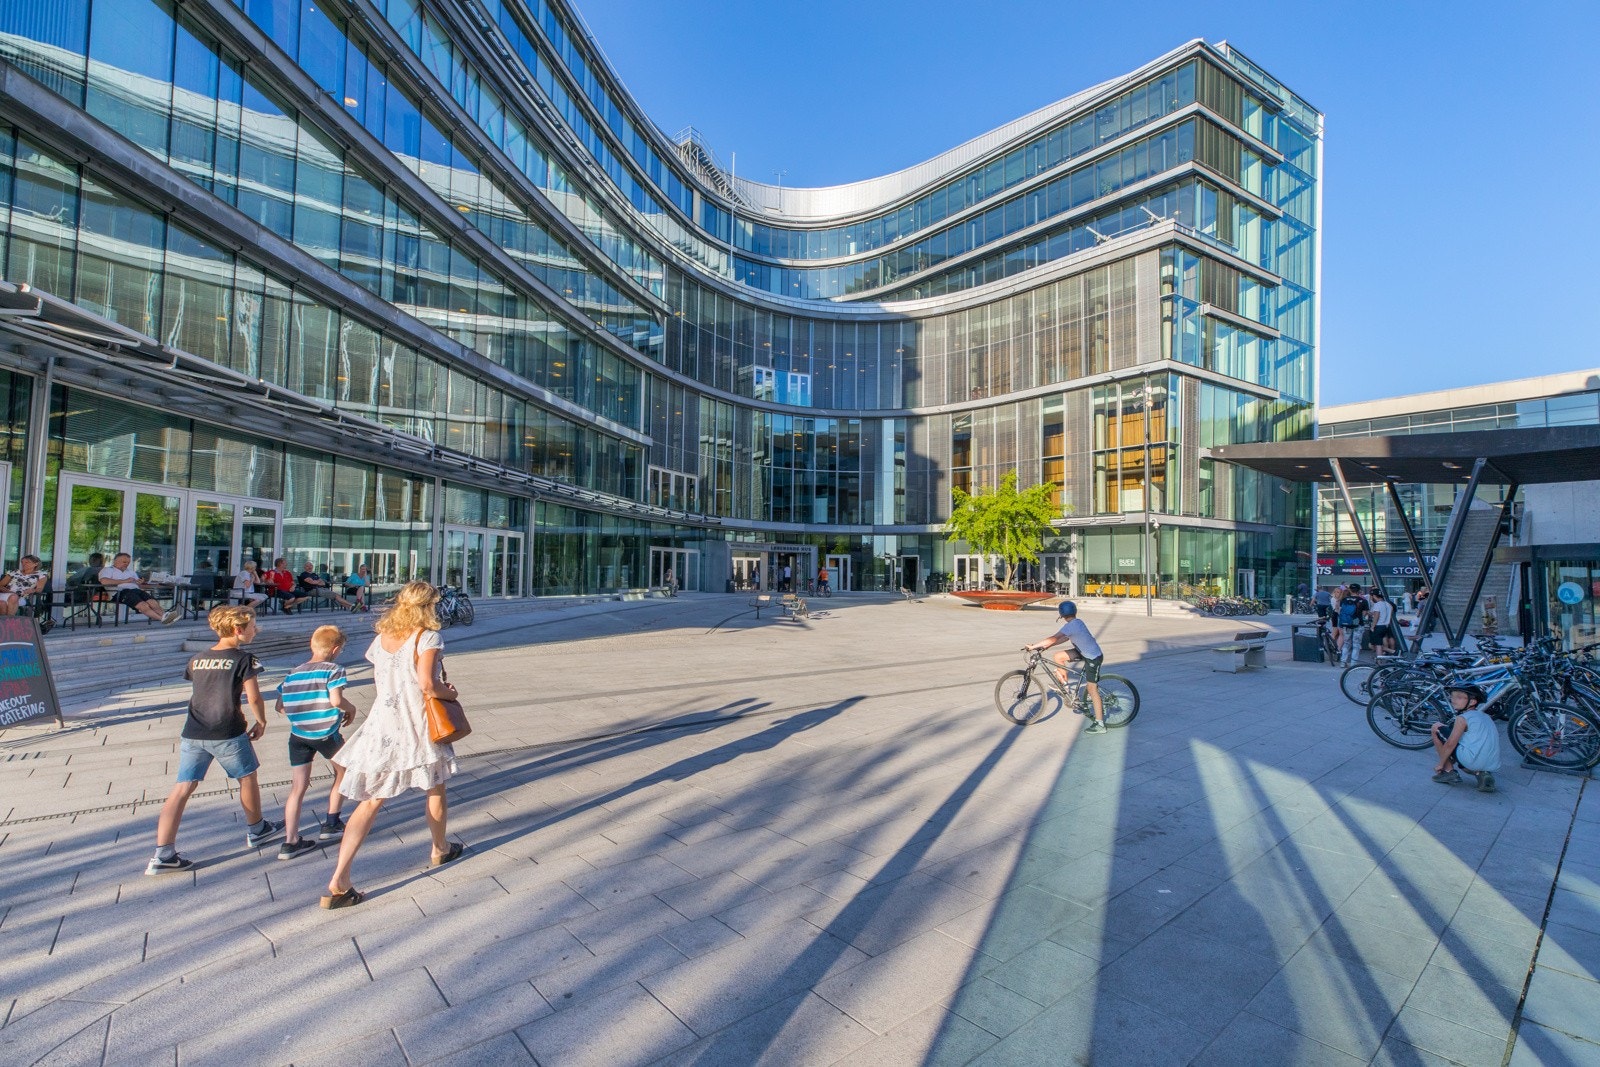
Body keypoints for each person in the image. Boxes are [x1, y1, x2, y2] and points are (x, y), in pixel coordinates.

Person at [321, 581, 461, 909]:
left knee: (370, 801)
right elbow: (427, 684)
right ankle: (439, 848)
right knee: (435, 788)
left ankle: (339, 879)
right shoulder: (428, 637)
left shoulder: (381, 640)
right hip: (416, 724)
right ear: (428, 605)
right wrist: (449, 693)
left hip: (382, 725)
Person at [146, 605, 280, 874]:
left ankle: (163, 853)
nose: (257, 630)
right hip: (228, 730)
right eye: (254, 626)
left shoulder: (197, 659)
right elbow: (253, 696)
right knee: (247, 777)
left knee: (183, 788)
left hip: (194, 731)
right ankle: (257, 829)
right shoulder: (245, 659)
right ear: (238, 629)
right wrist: (262, 721)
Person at [276, 625, 358, 860]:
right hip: (325, 734)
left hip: (298, 736)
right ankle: (331, 822)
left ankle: (290, 842)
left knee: (298, 787)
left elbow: (280, 705)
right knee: (344, 771)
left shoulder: (293, 673)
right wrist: (350, 708)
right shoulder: (333, 670)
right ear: (335, 649)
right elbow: (335, 700)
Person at [1024, 600, 1109, 734]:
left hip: (1093, 658)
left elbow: (1054, 637)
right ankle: (1065, 687)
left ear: (1062, 615)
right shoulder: (1077, 622)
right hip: (1082, 652)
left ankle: (1100, 724)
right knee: (1058, 657)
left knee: (1092, 689)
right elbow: (1063, 639)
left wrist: (1034, 646)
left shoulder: (1070, 626)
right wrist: (1046, 646)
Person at [1431, 684, 1502, 792]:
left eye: (1459, 697)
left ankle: (1449, 772)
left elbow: (1450, 744)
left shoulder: (1462, 718)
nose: (1453, 700)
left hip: (1471, 760)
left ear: (1472, 702)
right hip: (1492, 763)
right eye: (1452, 696)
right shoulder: (1486, 716)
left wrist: (1440, 764)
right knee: (1466, 748)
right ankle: (1482, 774)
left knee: (1436, 727)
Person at [99, 552, 181, 625]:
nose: (126, 564)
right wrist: (125, 580)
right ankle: (163, 619)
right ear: (116, 561)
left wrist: (140, 583)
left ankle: (166, 616)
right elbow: (104, 581)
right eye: (124, 562)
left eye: (128, 562)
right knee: (143, 605)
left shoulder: (131, 572)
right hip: (120, 592)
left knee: (153, 602)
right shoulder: (108, 570)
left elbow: (138, 585)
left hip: (136, 590)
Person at [1336, 583, 1369, 666]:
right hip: (1358, 623)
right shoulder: (1363, 601)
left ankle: (1343, 662)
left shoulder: (1344, 600)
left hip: (1346, 624)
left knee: (1346, 643)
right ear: (1359, 590)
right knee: (1356, 644)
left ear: (1350, 590)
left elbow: (1339, 611)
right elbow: (1364, 614)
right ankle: (1353, 663)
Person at [1367, 588, 1397, 655]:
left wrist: (1372, 626)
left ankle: (1381, 659)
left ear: (1374, 596)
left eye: (1371, 596)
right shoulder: (1388, 605)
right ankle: (1391, 651)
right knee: (1379, 644)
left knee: (1373, 645)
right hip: (1386, 626)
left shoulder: (1377, 605)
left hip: (1378, 626)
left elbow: (1376, 616)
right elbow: (1387, 615)